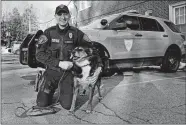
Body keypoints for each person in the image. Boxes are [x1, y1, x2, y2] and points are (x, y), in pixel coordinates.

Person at [35, 4, 102, 110]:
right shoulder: (48, 33)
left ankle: (63, 90)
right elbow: (39, 55)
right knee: (41, 103)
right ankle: (43, 81)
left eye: (65, 14)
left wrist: (98, 68)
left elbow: (93, 50)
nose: (63, 17)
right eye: (60, 14)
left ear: (69, 15)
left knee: (67, 105)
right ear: (55, 16)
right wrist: (59, 63)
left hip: (68, 74)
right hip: (51, 73)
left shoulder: (76, 33)